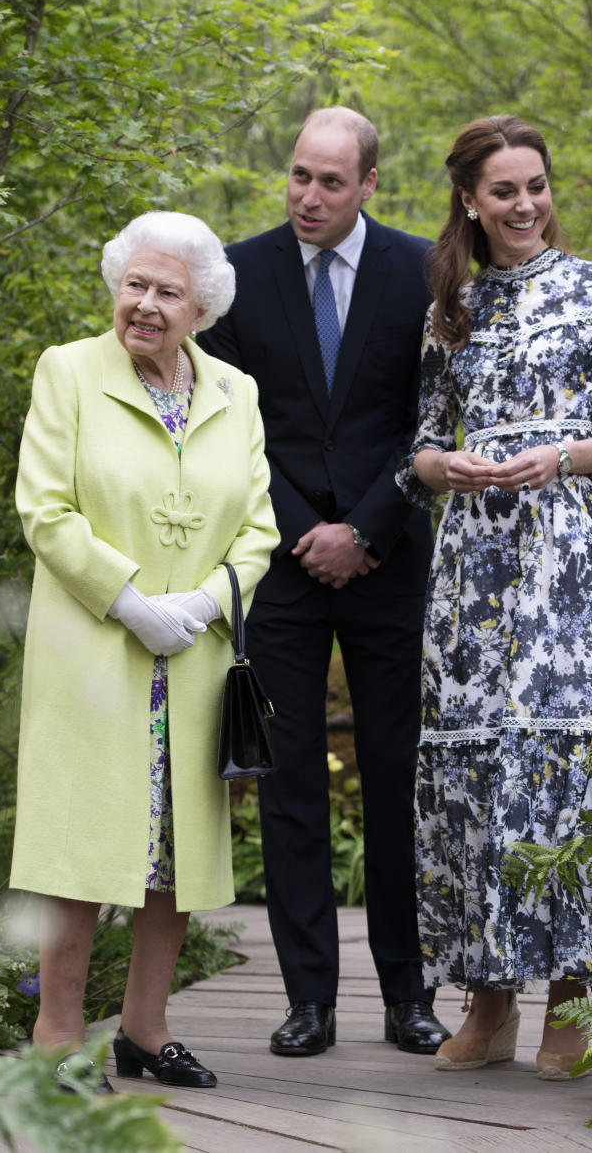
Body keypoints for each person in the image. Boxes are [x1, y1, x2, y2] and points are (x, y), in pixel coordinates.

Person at [395, 116, 592, 1079]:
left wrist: (562, 457)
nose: (524, 205)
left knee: (569, 760)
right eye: (504, 190)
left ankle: (573, 997)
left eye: (537, 186)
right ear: (470, 198)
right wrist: (447, 467)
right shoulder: (450, 307)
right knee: (478, 769)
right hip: (475, 570)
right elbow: (420, 445)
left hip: (567, 555)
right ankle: (490, 999)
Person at [197, 106, 450, 1057]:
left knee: (397, 782)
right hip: (284, 569)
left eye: (331, 182)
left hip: (391, 563)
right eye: (299, 176)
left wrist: (369, 527)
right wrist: (312, 533)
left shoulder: (425, 273)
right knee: (290, 784)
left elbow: (433, 416)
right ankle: (309, 1003)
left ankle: (408, 998)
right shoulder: (238, 273)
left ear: (370, 185)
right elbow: (227, 426)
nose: (308, 197)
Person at [11, 211, 279, 1091]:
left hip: (193, 660)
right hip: (96, 651)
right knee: (79, 848)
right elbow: (45, 509)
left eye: (168, 291)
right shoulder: (70, 372)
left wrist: (204, 604)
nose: (147, 305)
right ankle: (56, 1034)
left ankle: (143, 1027)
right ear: (114, 286)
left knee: (174, 853)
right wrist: (129, 601)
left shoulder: (235, 391)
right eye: (136, 284)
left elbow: (259, 527)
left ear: (200, 306)